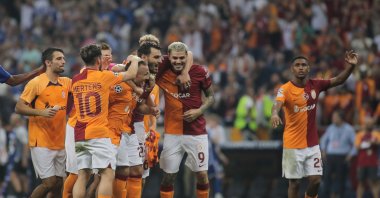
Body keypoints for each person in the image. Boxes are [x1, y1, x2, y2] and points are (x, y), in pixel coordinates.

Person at [270, 50, 358, 198]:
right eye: (297, 65)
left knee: (316, 180)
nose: (300, 67)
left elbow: (338, 80)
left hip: (312, 144)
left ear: (308, 68)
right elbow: (277, 104)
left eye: (304, 65)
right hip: (292, 144)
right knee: (295, 183)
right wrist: (274, 114)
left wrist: (351, 67)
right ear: (292, 69)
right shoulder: (285, 89)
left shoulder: (316, 85)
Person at [70, 43, 141, 198]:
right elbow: (131, 74)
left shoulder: (75, 80)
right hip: (99, 133)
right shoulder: (104, 77)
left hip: (80, 134)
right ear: (98, 59)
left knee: (82, 175)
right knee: (108, 174)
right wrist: (134, 59)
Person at [157, 42, 215, 198]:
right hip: (172, 133)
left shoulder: (200, 71)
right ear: (169, 57)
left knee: (202, 174)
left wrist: (199, 110)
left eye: (182, 58)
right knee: (169, 176)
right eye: (174, 58)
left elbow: (211, 97)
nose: (178, 61)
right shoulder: (162, 72)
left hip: (196, 132)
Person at [15, 48, 71, 198]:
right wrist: (41, 112)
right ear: (48, 62)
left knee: (59, 182)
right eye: (59, 59)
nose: (63, 61)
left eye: (63, 58)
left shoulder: (66, 82)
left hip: (60, 140)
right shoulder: (36, 83)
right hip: (41, 140)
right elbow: (19, 107)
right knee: (49, 182)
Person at [320, 110, 356, 198]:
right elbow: (323, 140)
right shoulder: (331, 128)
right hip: (330, 156)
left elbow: (356, 143)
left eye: (335, 117)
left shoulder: (349, 129)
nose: (333, 119)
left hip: (342, 156)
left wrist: (351, 154)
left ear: (341, 118)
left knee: (340, 179)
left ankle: (339, 195)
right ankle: (326, 195)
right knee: (327, 177)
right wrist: (323, 150)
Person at [354, 118, 380, 198]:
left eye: (371, 123)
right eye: (368, 123)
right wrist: (367, 144)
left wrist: (373, 142)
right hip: (362, 162)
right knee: (361, 182)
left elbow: (378, 142)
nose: (369, 125)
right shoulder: (360, 134)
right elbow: (357, 146)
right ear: (364, 124)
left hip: (373, 162)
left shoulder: (376, 134)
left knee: (374, 182)